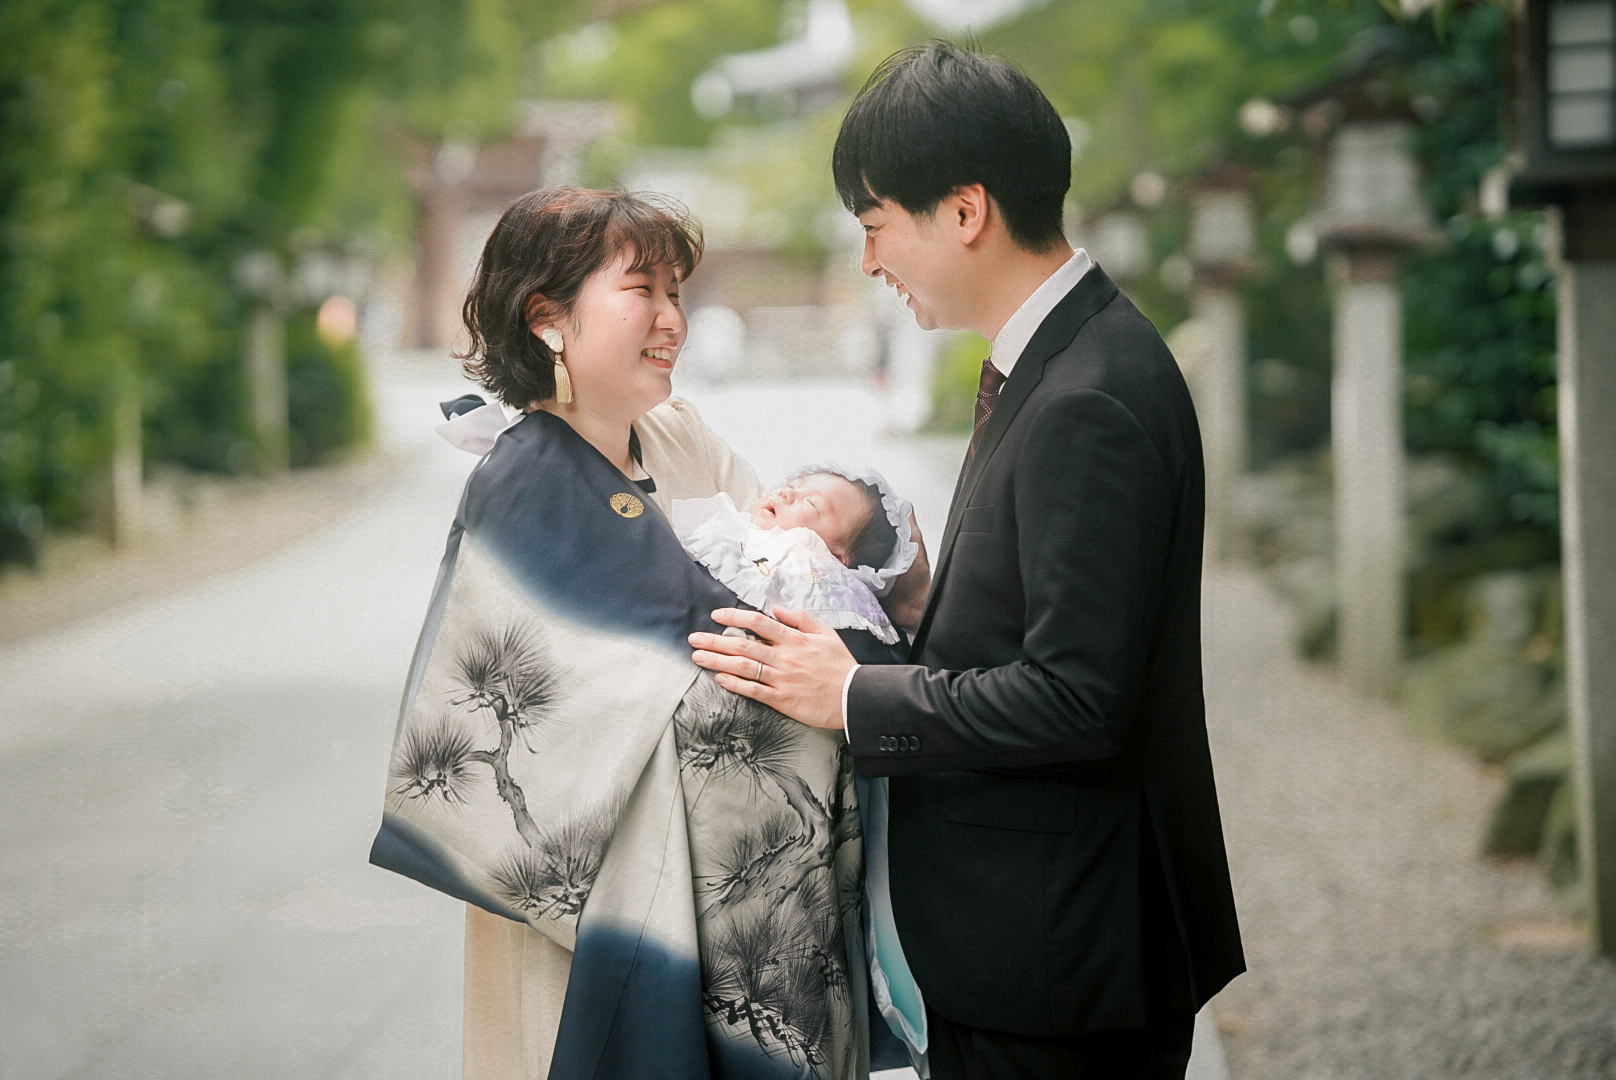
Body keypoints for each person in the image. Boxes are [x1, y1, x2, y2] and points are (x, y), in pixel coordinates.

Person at [690, 42, 1245, 1080]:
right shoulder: (1061, 355)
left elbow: (1078, 698)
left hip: (1059, 959)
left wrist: (852, 696)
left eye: (872, 227)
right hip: (1041, 942)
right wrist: (890, 569)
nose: (867, 263)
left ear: (962, 210)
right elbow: (1037, 622)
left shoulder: (1086, 398)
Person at [370, 187, 922, 1080]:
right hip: (600, 912)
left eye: (677, 292)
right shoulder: (522, 488)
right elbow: (552, 734)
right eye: (642, 292)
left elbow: (792, 597)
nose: (673, 319)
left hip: (748, 908)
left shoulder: (679, 438)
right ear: (547, 318)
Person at [672, 466, 914, 647]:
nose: (785, 493)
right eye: (793, 485)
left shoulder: (818, 576)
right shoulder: (731, 525)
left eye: (811, 503)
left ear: (838, 559)